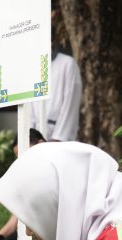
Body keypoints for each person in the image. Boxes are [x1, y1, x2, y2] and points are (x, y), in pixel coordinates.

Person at [0, 128, 46, 240]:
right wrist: (1, 235)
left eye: (26, 155)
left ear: (41, 144)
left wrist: (17, 237)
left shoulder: (55, 165)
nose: (23, 162)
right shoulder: (34, 171)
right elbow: (22, 210)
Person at [28, 9, 82, 142]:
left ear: (51, 41)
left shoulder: (67, 64)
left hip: (58, 137)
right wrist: (30, 137)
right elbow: (29, 109)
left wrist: (57, 139)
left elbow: (71, 105)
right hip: (35, 140)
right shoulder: (32, 67)